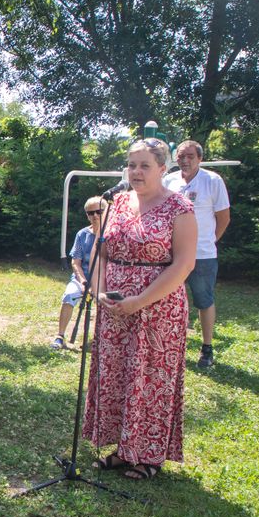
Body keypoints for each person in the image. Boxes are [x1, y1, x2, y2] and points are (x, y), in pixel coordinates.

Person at [84, 138, 197, 481]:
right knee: (117, 375)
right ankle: (121, 449)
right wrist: (100, 290)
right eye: (131, 165)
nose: (136, 172)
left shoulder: (180, 209)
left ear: (163, 169)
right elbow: (99, 250)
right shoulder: (115, 203)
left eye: (144, 165)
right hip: (114, 309)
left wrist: (139, 301)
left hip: (157, 311)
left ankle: (148, 455)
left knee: (149, 379)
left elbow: (183, 265)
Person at [163, 140, 231, 369]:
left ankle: (207, 348)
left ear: (200, 158)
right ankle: (169, 345)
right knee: (167, 299)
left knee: (203, 300)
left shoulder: (212, 180)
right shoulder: (169, 180)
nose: (185, 160)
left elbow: (223, 218)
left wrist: (208, 241)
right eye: (181, 156)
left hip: (202, 255)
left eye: (190, 156)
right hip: (171, 254)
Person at [51, 196, 105, 349]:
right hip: (82, 278)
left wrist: (97, 285)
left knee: (104, 303)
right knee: (69, 295)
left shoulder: (112, 234)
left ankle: (98, 339)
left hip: (103, 281)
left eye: (99, 212)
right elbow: (76, 262)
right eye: (90, 213)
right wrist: (82, 281)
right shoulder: (82, 235)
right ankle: (60, 336)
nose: (95, 216)